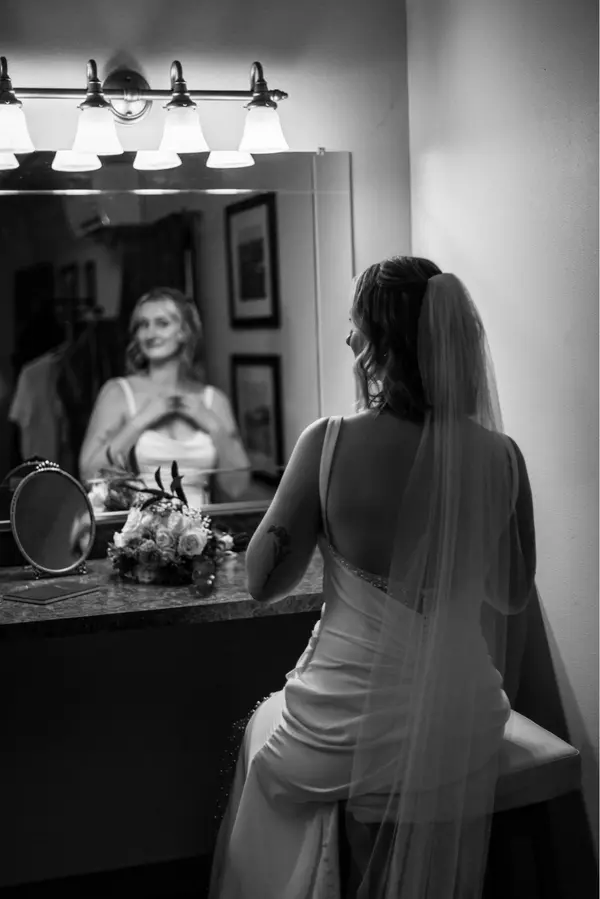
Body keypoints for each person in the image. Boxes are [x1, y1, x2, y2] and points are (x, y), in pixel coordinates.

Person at [208, 256, 537, 899]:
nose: (348, 338)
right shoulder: (502, 457)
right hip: (464, 720)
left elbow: (262, 584)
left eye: (356, 326)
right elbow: (510, 592)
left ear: (382, 344)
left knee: (262, 735)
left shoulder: (328, 442)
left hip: (346, 723)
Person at [79, 287, 250, 508]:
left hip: (200, 526)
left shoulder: (213, 400)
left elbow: (237, 487)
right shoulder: (117, 392)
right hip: (137, 525)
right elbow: (88, 475)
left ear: (184, 332)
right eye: (143, 325)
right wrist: (140, 421)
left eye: (162, 323)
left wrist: (212, 424)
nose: (150, 334)